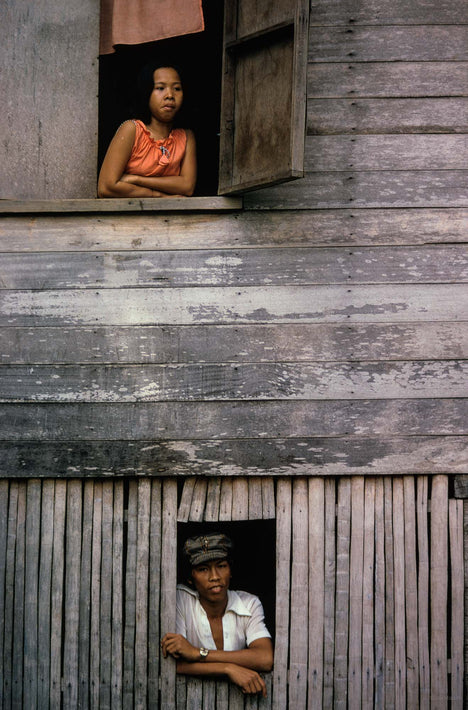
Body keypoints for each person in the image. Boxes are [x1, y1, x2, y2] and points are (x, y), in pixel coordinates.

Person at [161, 532, 274, 697]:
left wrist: (196, 653)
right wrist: (228, 668)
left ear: (230, 570)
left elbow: (264, 658)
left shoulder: (249, 603)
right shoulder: (180, 600)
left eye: (221, 566)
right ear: (190, 578)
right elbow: (174, 664)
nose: (215, 577)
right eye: (203, 569)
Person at [98, 64, 196, 198]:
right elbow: (106, 187)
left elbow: (187, 186)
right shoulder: (132, 129)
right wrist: (160, 196)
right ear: (146, 92)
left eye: (177, 88)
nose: (170, 95)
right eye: (160, 88)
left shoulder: (186, 137)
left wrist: (136, 179)